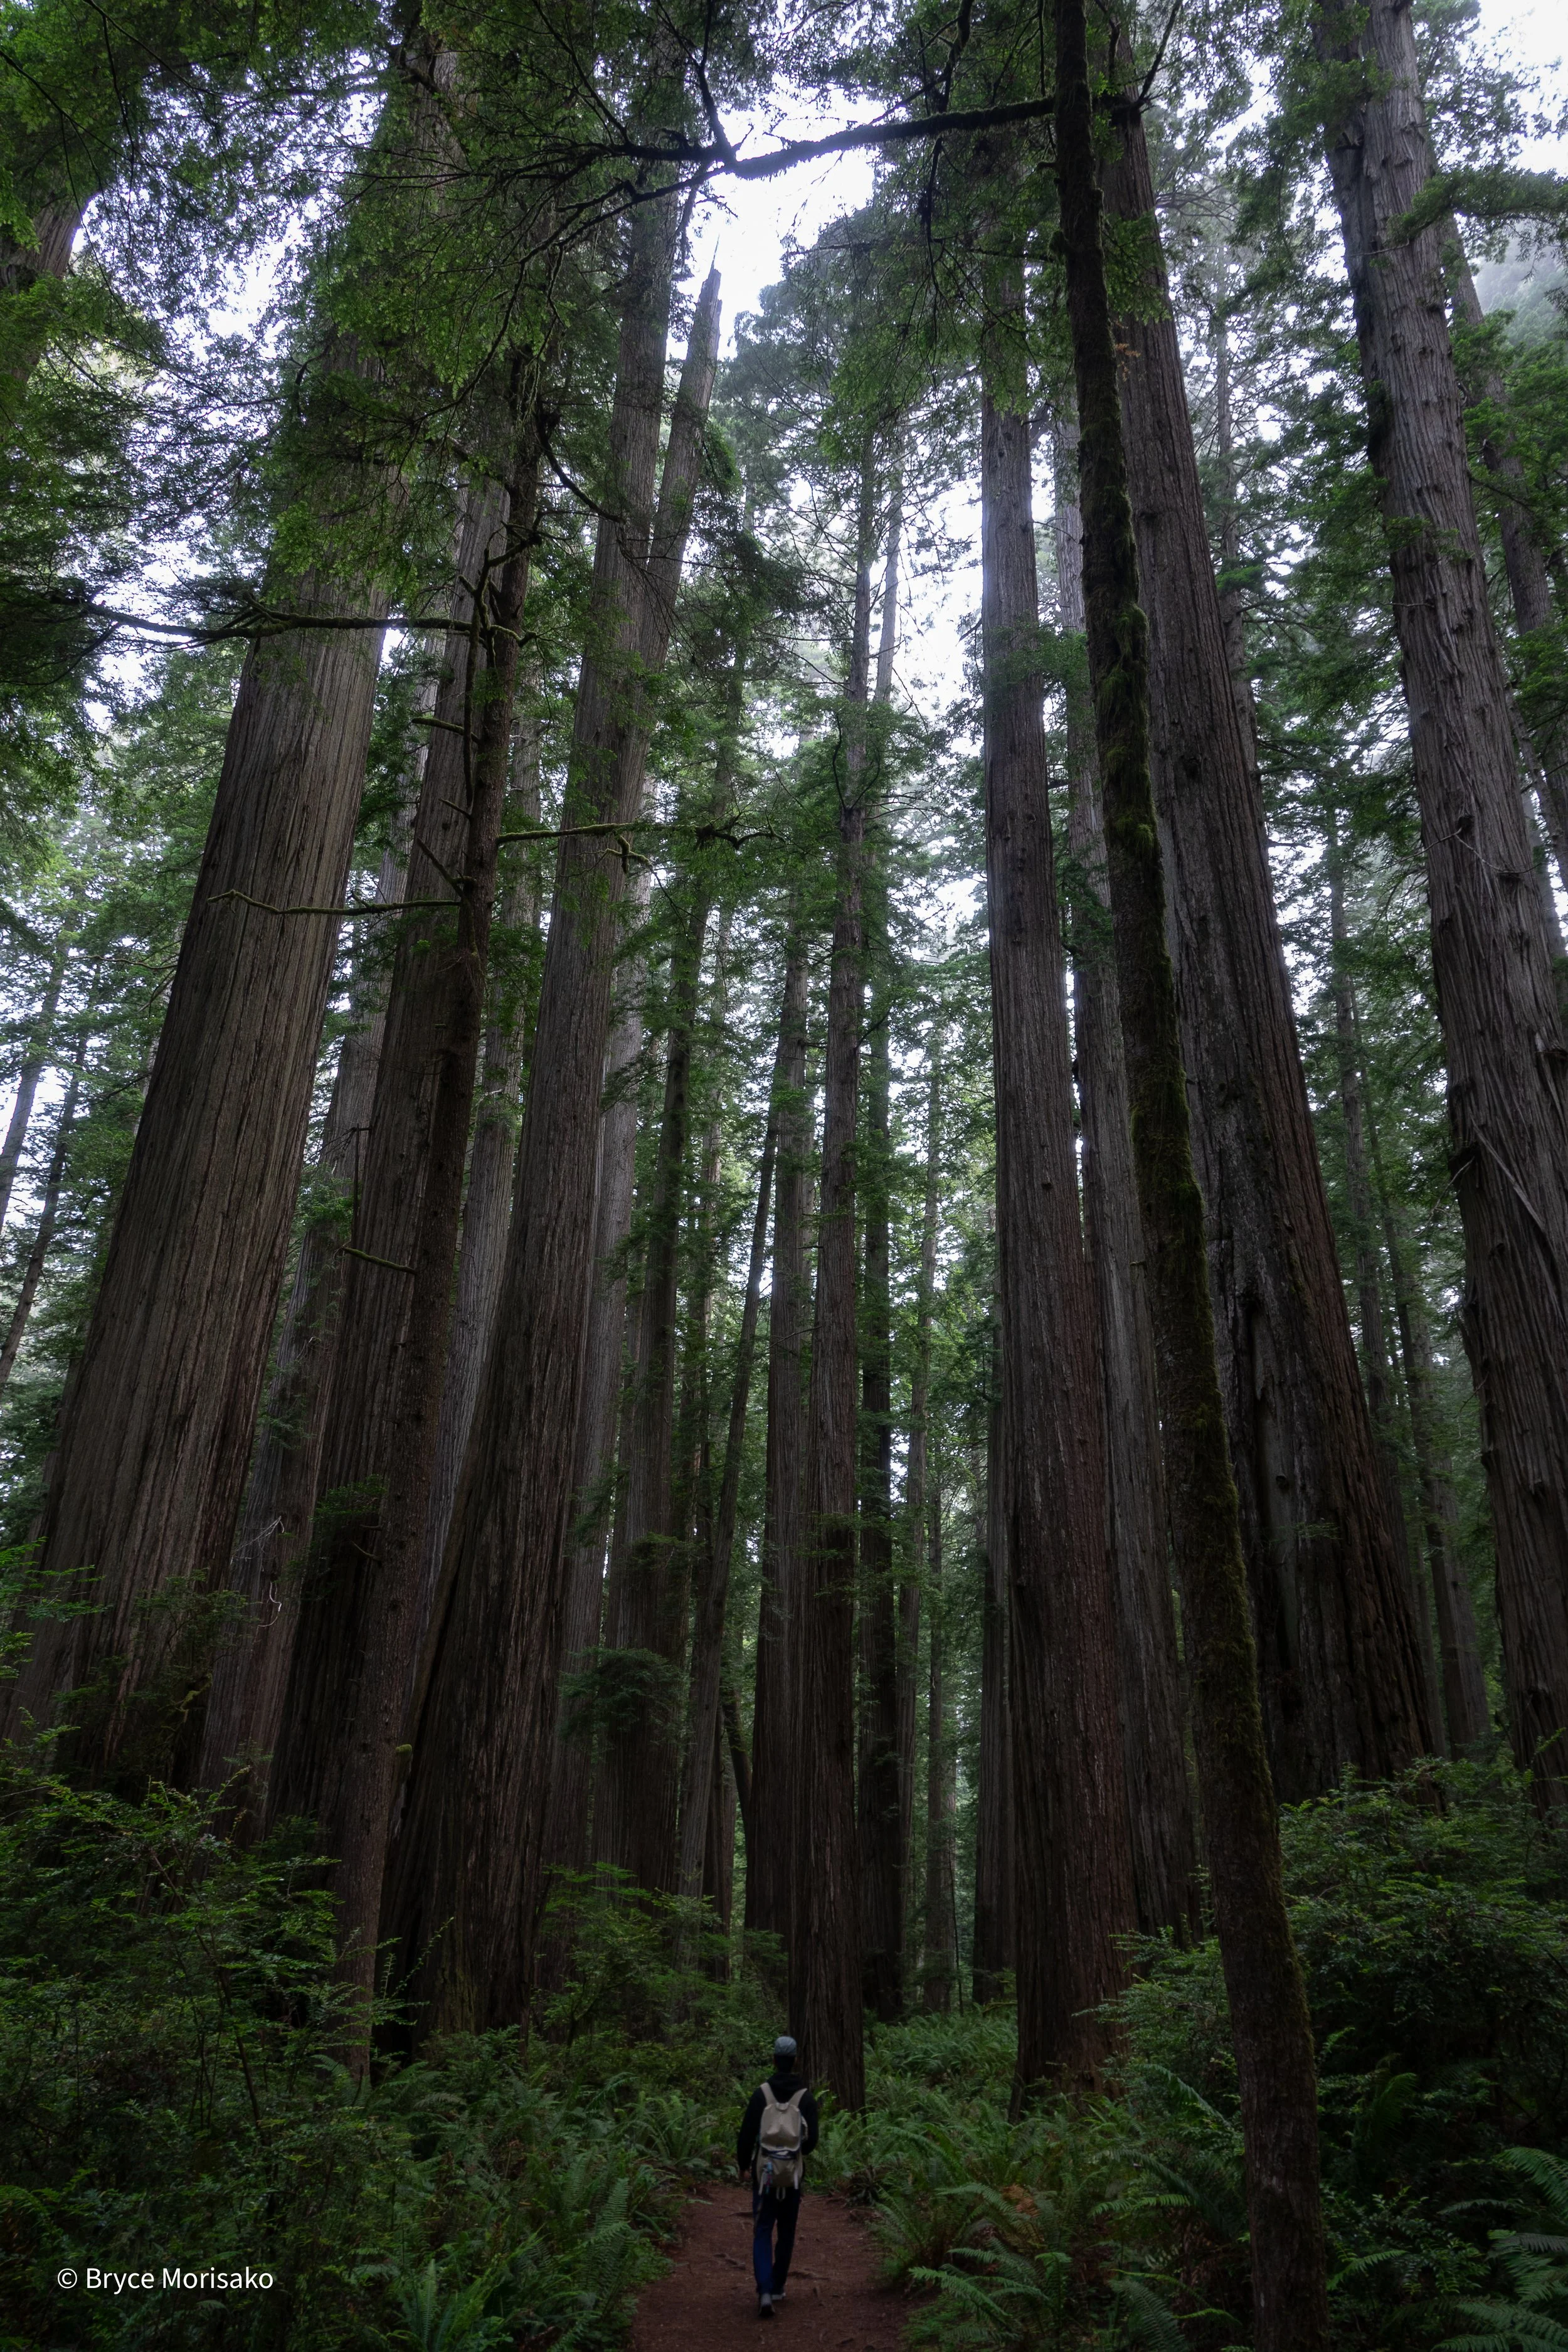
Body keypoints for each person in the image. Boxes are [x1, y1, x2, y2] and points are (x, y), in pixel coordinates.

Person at [736, 2033, 819, 2319]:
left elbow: (747, 2134)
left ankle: (765, 2291)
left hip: (765, 2176)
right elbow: (811, 2143)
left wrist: (743, 2164)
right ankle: (780, 2284)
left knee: (762, 2229)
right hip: (792, 2177)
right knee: (786, 2231)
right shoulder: (805, 2097)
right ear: (795, 2060)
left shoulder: (762, 2095)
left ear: (774, 2059)